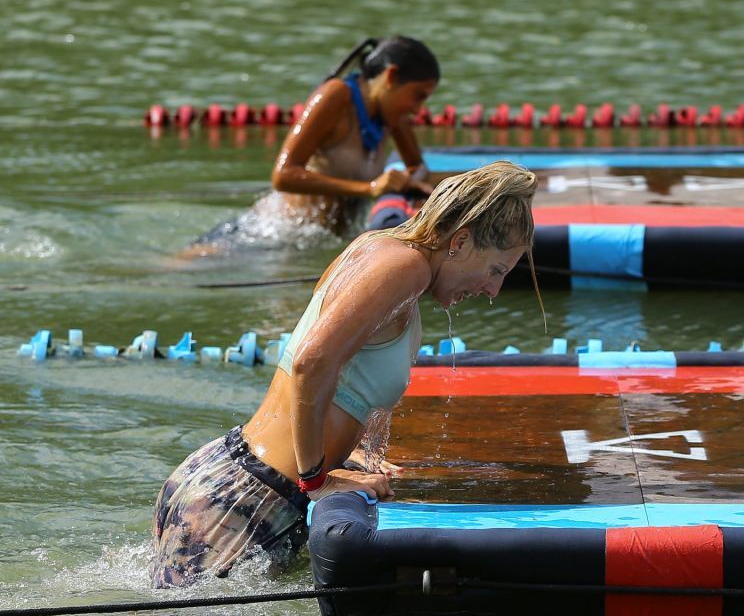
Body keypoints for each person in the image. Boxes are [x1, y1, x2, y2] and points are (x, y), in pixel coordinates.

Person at [150, 161, 543, 588]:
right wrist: (317, 479)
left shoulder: (379, 248)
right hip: (250, 499)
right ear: (461, 241)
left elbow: (345, 376)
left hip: (235, 479)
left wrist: (354, 458)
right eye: (496, 270)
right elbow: (311, 362)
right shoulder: (405, 268)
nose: (493, 290)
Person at [186, 35, 439, 254]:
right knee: (177, 268)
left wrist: (409, 184)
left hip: (316, 243)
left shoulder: (393, 117)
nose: (418, 110)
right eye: (418, 96)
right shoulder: (336, 95)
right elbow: (283, 175)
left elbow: (417, 167)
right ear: (391, 76)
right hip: (267, 236)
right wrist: (370, 188)